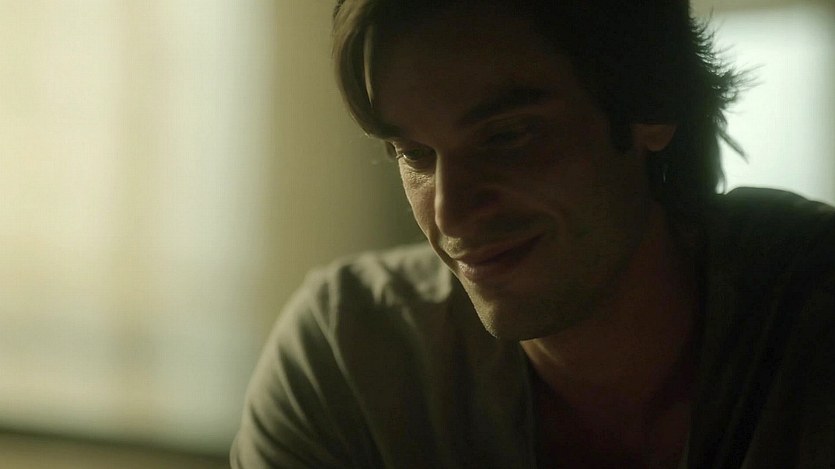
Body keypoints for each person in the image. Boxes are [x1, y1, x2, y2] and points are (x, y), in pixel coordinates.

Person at [231, 0, 835, 467]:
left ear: (650, 105)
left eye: (507, 137)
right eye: (415, 154)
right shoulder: (352, 353)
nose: (451, 214)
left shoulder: (810, 315)